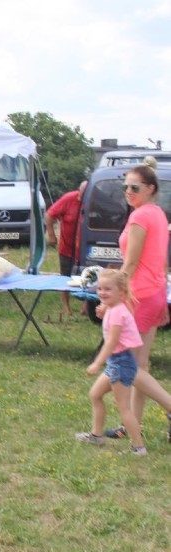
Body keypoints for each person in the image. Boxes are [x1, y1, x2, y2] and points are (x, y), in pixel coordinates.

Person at [103, 158, 171, 441]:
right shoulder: (158, 214)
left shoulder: (140, 216)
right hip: (154, 293)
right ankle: (133, 425)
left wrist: (111, 299)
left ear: (150, 188)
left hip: (138, 295)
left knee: (130, 366)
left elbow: (130, 264)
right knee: (140, 365)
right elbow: (161, 260)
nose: (128, 192)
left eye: (135, 187)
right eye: (125, 187)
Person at [75, 270, 147, 455]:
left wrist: (97, 363)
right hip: (117, 362)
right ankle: (96, 436)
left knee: (124, 408)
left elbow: (112, 343)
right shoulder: (115, 308)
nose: (102, 292)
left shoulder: (117, 313)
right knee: (95, 394)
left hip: (120, 363)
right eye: (99, 288)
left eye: (108, 289)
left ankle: (138, 447)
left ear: (121, 291)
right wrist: (104, 311)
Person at [46, 180, 87, 316]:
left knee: (88, 276)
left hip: (85, 249)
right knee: (65, 277)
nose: (83, 198)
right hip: (67, 248)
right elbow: (49, 215)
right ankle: (66, 307)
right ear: (78, 192)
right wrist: (51, 234)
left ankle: (86, 306)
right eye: (82, 195)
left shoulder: (94, 200)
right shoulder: (68, 199)